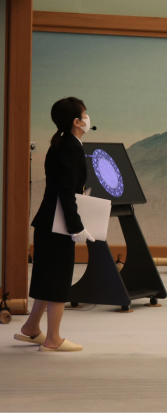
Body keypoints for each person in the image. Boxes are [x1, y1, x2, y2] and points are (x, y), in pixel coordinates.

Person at [14, 97, 94, 352]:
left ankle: (31, 328)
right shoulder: (71, 147)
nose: (88, 117)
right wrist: (76, 226)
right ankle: (53, 339)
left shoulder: (60, 144)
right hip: (59, 225)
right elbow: (66, 192)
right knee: (58, 280)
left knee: (47, 277)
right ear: (77, 121)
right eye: (85, 113)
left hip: (47, 222)